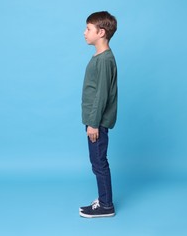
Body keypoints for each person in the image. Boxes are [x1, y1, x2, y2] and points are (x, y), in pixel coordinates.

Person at [79, 11, 118, 218]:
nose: (84, 33)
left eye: (88, 28)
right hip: (94, 121)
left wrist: (93, 124)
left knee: (99, 162)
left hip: (97, 123)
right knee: (97, 161)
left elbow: (102, 95)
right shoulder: (100, 57)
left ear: (101, 32)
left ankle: (106, 205)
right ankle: (104, 200)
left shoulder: (104, 60)